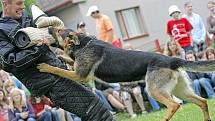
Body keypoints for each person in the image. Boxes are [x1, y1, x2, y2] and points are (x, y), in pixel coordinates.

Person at [0, 0, 112, 121]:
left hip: (60, 70)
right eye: (18, 3)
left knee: (93, 112)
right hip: (49, 81)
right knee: (98, 112)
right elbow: (9, 62)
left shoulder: (26, 18)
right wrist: (40, 48)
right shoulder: (1, 30)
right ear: (6, 4)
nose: (23, 7)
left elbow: (52, 36)